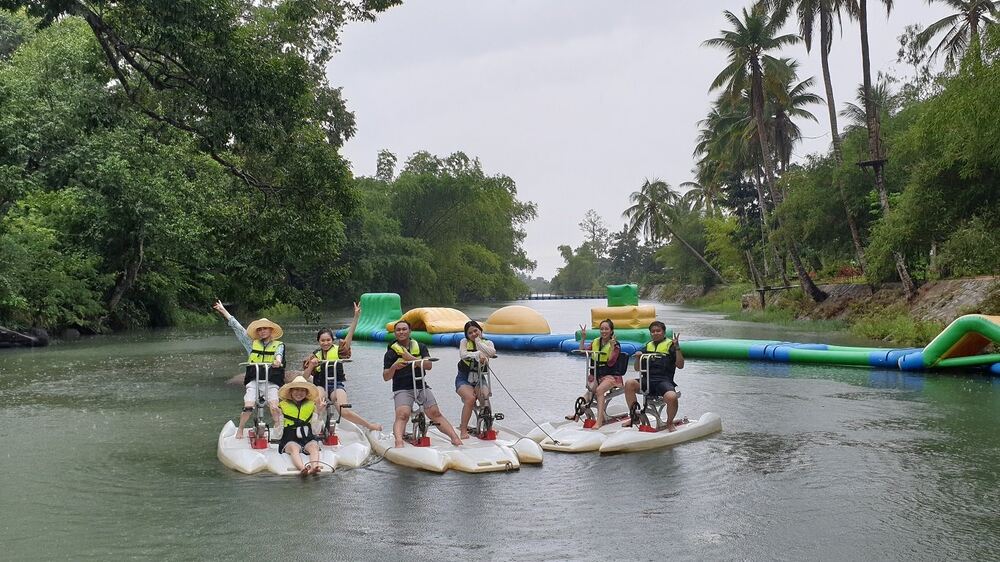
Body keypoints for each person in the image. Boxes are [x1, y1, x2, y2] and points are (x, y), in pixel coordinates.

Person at [382, 320, 463, 448]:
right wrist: (394, 367)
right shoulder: (390, 353)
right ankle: (398, 442)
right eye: (398, 330)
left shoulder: (421, 347)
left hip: (421, 386)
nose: (401, 332)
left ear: (410, 331)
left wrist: (410, 358)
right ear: (395, 333)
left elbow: (428, 365)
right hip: (402, 388)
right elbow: (386, 377)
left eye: (404, 329)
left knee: (435, 413)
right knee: (403, 414)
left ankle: (455, 438)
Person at [302, 302, 382, 432]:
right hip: (321, 385)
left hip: (336, 385)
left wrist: (356, 317)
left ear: (332, 340)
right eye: (323, 340)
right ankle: (315, 429)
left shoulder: (339, 350)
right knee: (317, 403)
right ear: (318, 341)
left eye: (328, 340)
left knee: (343, 410)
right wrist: (311, 365)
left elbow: (349, 338)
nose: (326, 343)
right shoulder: (314, 356)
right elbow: (305, 377)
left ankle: (369, 425)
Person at [213, 300, 284, 439]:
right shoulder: (252, 344)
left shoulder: (278, 345)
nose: (262, 331)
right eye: (260, 329)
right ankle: (240, 429)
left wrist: (278, 361)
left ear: (271, 330)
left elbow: (279, 355)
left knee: (275, 406)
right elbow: (238, 328)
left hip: (271, 380)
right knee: (249, 406)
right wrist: (223, 311)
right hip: (254, 379)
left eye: (265, 328)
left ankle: (278, 431)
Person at [623, 321, 684, 432]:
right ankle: (635, 417)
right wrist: (637, 358)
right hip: (647, 381)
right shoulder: (647, 345)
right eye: (653, 331)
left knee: (672, 397)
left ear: (664, 332)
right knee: (629, 384)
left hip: (663, 381)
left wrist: (678, 348)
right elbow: (637, 368)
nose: (655, 333)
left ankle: (669, 423)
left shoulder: (671, 345)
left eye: (658, 331)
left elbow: (680, 365)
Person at [566, 319, 626, 429]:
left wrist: (612, 347)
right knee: (588, 393)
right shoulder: (595, 342)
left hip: (611, 376)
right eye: (602, 329)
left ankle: (599, 421)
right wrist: (583, 338)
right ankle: (576, 415)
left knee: (599, 390)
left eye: (606, 329)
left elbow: (611, 361)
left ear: (611, 331)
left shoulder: (615, 345)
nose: (604, 331)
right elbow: (582, 351)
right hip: (597, 375)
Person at [454, 320, 497, 440]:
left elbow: (492, 353)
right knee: (470, 399)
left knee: (485, 397)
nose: (473, 334)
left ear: (480, 330)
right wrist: (478, 354)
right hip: (464, 378)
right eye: (470, 333)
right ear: (466, 335)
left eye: (475, 331)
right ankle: (463, 429)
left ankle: (488, 427)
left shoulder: (488, 342)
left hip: (480, 378)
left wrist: (478, 341)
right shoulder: (464, 342)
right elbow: (463, 355)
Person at [277, 375, 323, 476]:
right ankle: (303, 468)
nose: (299, 393)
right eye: (296, 390)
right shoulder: (282, 407)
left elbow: (315, 431)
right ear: (291, 392)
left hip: (307, 437)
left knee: (314, 447)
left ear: (306, 393)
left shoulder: (312, 406)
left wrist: (319, 413)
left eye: (302, 390)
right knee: (294, 448)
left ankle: (314, 466)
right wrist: (277, 418)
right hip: (289, 439)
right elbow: (278, 434)